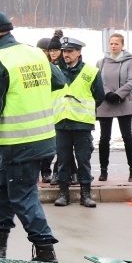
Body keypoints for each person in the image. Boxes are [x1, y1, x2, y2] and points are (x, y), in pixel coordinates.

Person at [0, 10, 65, 263]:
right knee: (1, 190)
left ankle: (45, 250)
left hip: (20, 141)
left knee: (23, 196)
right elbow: (59, 81)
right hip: (41, 138)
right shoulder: (34, 52)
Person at [52, 37, 104, 208]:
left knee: (83, 160)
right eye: (64, 51)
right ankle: (63, 194)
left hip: (82, 124)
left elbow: (99, 96)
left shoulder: (91, 71)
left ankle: (86, 194)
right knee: (63, 160)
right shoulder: (55, 70)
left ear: (79, 52)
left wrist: (84, 110)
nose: (66, 54)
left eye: (70, 51)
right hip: (61, 122)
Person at [96, 32, 132, 182]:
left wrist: (118, 94)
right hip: (106, 102)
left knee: (127, 136)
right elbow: (98, 81)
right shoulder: (101, 62)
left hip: (123, 101)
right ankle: (103, 171)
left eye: (116, 44)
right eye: (111, 43)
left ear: (122, 45)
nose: (113, 46)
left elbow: (131, 81)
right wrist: (108, 94)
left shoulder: (130, 61)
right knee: (104, 138)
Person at [46, 33, 77, 186]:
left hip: (66, 110)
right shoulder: (48, 65)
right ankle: (71, 172)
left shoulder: (64, 67)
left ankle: (60, 172)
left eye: (55, 50)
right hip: (52, 109)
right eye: (50, 50)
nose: (52, 53)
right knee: (61, 146)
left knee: (64, 147)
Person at [35, 38, 56, 182]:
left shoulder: (53, 67)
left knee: (50, 144)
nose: (43, 54)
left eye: (45, 51)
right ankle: (38, 171)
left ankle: (46, 170)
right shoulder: (34, 65)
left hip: (53, 107)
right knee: (37, 144)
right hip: (38, 107)